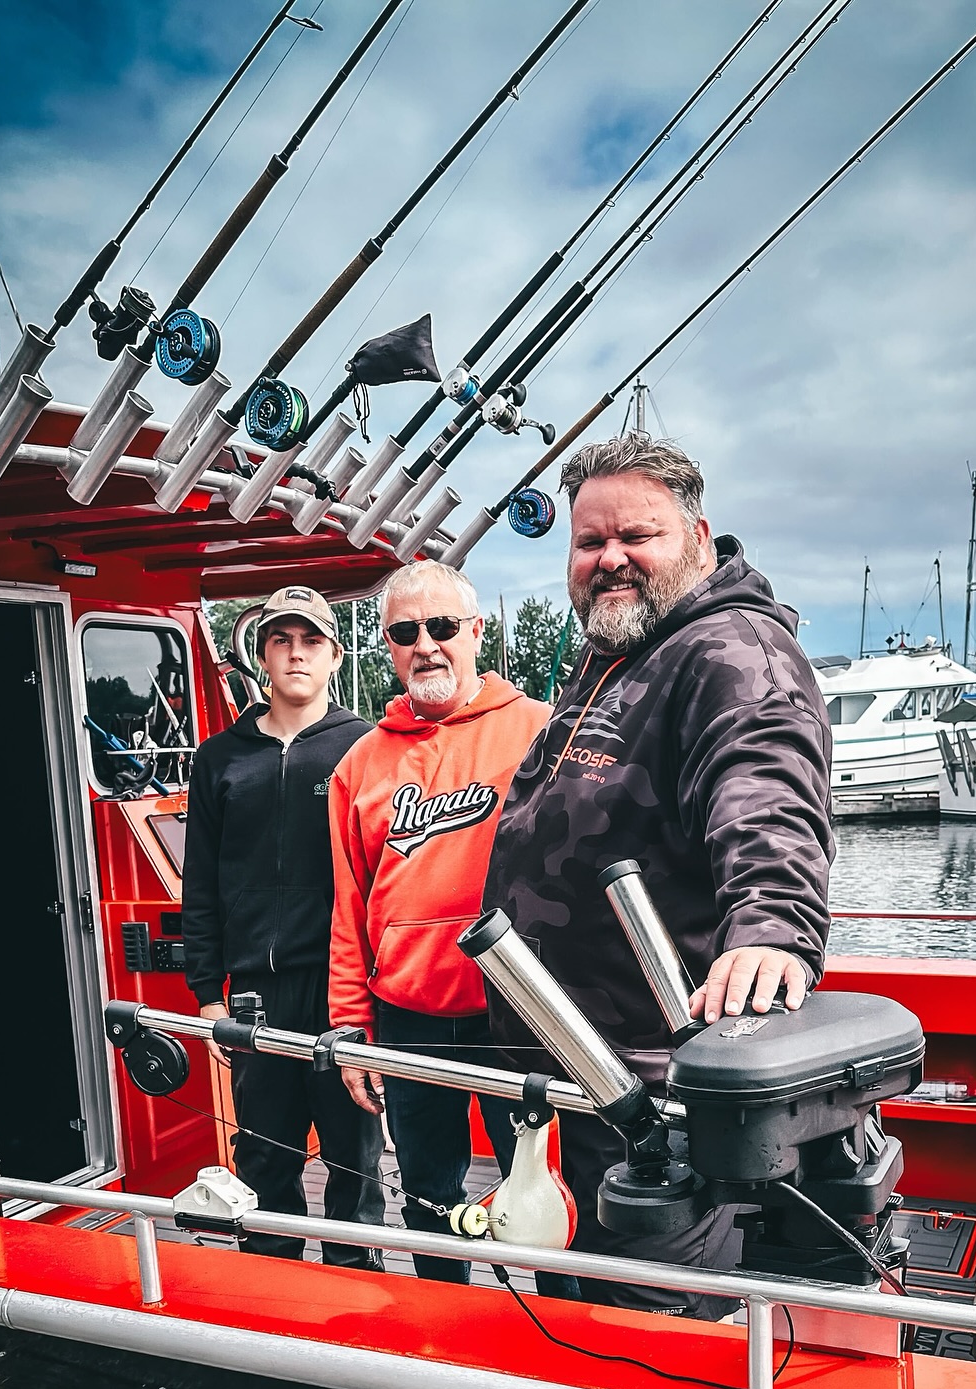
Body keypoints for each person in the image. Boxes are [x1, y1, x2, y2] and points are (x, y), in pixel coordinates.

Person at [483, 435, 834, 1315]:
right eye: (589, 542)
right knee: (574, 1299)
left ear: (699, 536)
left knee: (645, 1323)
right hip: (571, 1068)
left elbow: (765, 787)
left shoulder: (731, 652)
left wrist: (772, 926)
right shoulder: (617, 651)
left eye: (636, 536)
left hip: (650, 1094)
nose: (610, 560)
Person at [328, 560, 550, 1283]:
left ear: (476, 632)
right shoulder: (359, 763)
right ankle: (441, 1334)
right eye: (404, 631)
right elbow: (349, 904)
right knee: (428, 1197)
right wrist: (350, 1026)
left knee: (545, 1198)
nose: (426, 644)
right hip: (408, 1019)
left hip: (516, 1016)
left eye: (443, 626)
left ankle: (570, 1342)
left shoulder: (540, 731)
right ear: (387, 646)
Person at [182, 584, 385, 1268]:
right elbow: (201, 885)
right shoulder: (219, 759)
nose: (296, 654)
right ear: (262, 655)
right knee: (265, 1159)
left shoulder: (365, 748)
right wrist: (208, 991)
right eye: (281, 641)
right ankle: (272, 1293)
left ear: (334, 655)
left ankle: (360, 1295)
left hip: (342, 993)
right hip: (253, 999)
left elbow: (386, 879)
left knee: (354, 1161)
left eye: (312, 641)